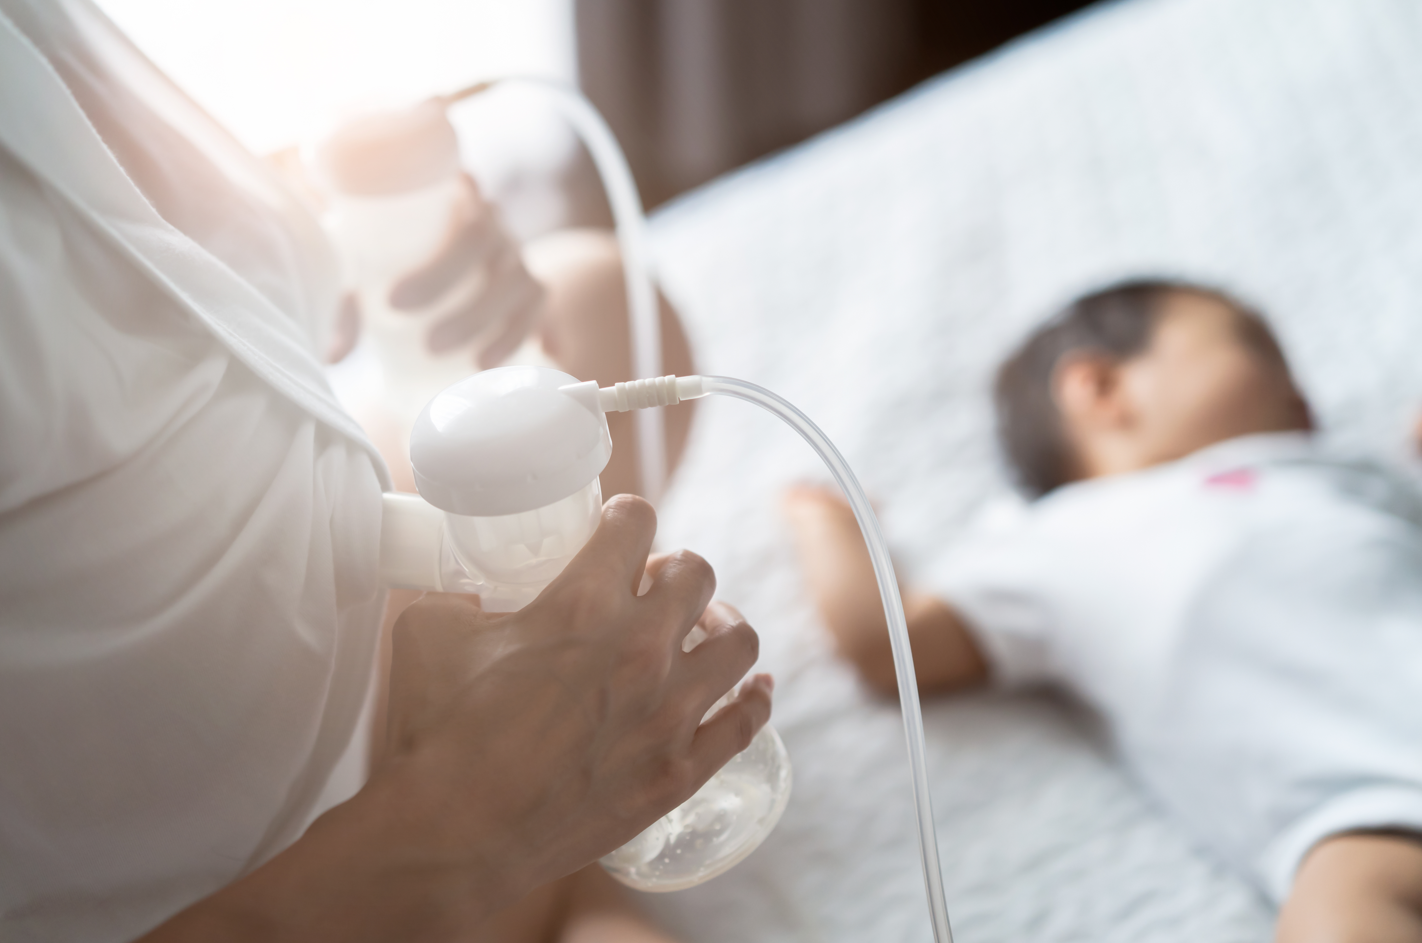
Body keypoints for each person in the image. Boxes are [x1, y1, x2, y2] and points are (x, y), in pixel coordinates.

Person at [0, 0, 766, 940]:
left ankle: (546, 883)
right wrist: (472, 819)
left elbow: (111, 281)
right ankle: (557, 896)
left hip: (325, 625)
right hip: (263, 873)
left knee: (594, 301)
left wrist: (336, 245)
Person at [785, 280, 1422, 941]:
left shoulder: (1346, 471)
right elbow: (890, 640)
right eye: (1257, 348)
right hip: (1369, 814)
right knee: (1342, 909)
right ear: (1099, 387)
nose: (1302, 393)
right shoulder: (1058, 539)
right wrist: (829, 524)